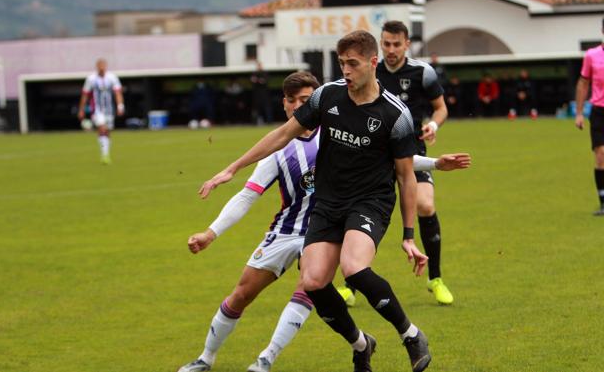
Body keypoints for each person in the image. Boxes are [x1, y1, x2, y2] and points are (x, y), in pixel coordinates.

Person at [179, 71, 470, 372]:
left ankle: (265, 360)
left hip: (331, 225)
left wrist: (434, 163)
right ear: (284, 104)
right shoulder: (277, 150)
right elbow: (246, 197)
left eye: (304, 100)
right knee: (242, 294)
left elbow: (394, 160)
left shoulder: (336, 129)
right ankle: (206, 358)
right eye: (291, 101)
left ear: (317, 101)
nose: (297, 106)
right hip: (286, 229)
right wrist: (211, 233)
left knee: (312, 282)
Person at [370, 20, 454, 306]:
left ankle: (436, 278)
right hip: (375, 155)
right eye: (386, 44)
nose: (391, 50)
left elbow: (441, 108)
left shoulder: (423, 72)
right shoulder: (371, 70)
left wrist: (434, 125)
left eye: (397, 44)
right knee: (362, 211)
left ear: (407, 44)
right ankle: (349, 285)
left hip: (412, 151)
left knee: (426, 205)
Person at [575, 18, 604, 216]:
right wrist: (578, 113)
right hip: (599, 111)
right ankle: (603, 201)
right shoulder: (592, 55)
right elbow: (583, 84)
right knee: (601, 155)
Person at [77, 58, 124, 164]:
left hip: (109, 110)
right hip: (97, 110)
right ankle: (104, 155)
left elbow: (118, 93)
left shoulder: (112, 77)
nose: (102, 67)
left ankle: (106, 153)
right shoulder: (91, 79)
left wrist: (120, 106)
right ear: (97, 66)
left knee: (107, 131)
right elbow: (85, 94)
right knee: (102, 129)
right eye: (100, 65)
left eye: (103, 65)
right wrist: (81, 109)